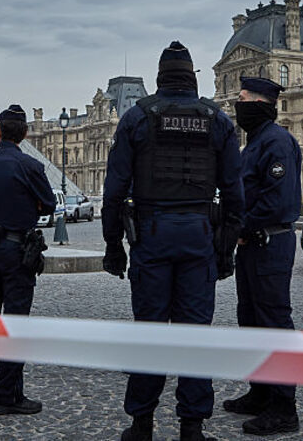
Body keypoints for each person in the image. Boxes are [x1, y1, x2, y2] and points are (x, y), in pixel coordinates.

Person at [102, 41, 245, 441]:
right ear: (192, 77)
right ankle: (192, 428)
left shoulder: (137, 117)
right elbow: (234, 194)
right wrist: (227, 248)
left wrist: (114, 245)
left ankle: (141, 424)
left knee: (149, 331)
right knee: (195, 333)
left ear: (161, 77)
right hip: (199, 234)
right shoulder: (217, 120)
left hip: (151, 234)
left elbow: (113, 191)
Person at [223, 77, 302, 435]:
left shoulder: (277, 142)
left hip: (269, 242)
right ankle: (260, 392)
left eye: (241, 99)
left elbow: (278, 201)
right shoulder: (256, 142)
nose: (237, 105)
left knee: (274, 324)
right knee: (251, 320)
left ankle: (284, 408)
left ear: (259, 102)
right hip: (254, 244)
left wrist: (242, 225)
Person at [0, 104, 56, 415]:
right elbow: (48, 205)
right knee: (14, 324)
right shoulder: (30, 165)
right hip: (17, 251)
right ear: (26, 134)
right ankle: (8, 396)